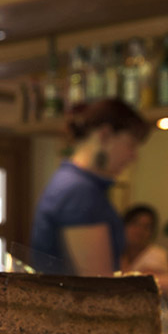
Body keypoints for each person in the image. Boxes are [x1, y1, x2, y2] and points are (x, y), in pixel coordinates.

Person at [30, 99, 150, 276]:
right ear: (105, 135)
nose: (133, 156)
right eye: (130, 145)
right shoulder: (79, 192)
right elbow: (97, 284)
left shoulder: (72, 182)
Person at [121, 204, 168, 274]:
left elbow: (144, 279)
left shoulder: (158, 255)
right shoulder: (117, 253)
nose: (139, 230)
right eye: (135, 224)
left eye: (146, 227)